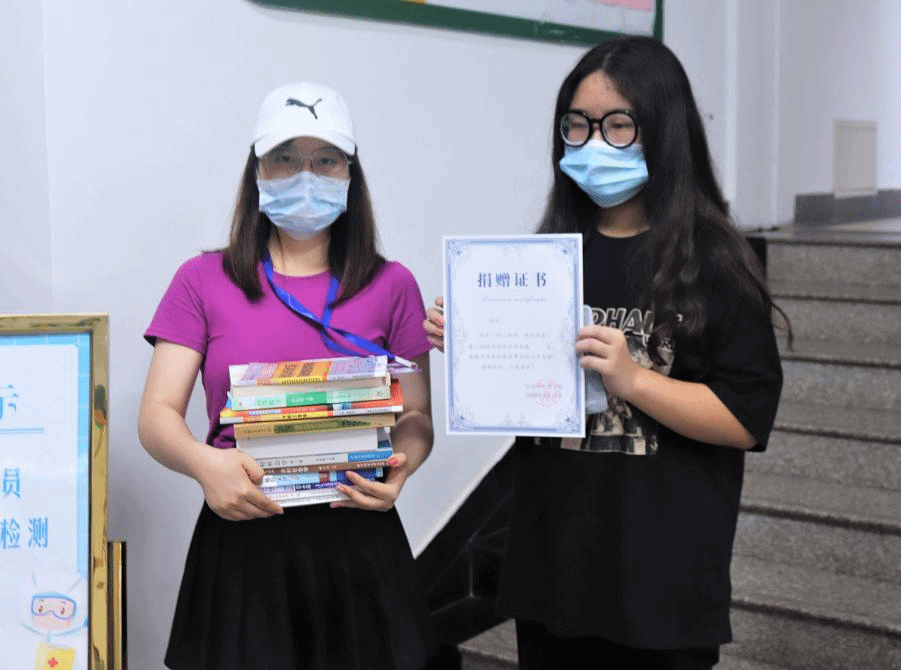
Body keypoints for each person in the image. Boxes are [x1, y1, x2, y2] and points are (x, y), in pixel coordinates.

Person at [424, 36, 787, 669]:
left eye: (618, 125)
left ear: (664, 130)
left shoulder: (718, 261)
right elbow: (526, 400)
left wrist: (634, 379)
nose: (593, 143)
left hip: (661, 587)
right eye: (577, 126)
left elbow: (745, 418)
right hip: (552, 575)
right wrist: (479, 346)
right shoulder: (549, 255)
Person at [139, 82, 436, 670]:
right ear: (257, 171)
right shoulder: (202, 280)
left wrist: (401, 469)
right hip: (242, 535)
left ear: (350, 173)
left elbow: (417, 416)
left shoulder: (393, 284)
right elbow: (156, 416)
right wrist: (205, 465)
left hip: (358, 535)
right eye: (284, 158)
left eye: (325, 160)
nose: (306, 175)